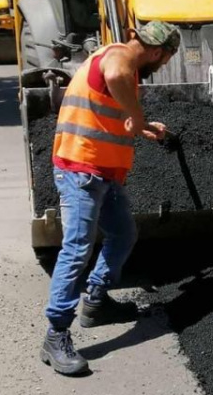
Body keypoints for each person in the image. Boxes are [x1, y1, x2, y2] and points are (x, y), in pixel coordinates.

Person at [40, 21, 181, 375]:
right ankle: (55, 335)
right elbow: (116, 77)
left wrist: (144, 126)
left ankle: (97, 302)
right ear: (156, 51)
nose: (161, 66)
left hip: (104, 174)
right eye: (164, 60)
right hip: (81, 171)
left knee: (123, 234)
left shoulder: (123, 67)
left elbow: (112, 114)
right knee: (77, 247)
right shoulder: (120, 57)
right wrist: (136, 113)